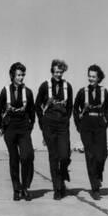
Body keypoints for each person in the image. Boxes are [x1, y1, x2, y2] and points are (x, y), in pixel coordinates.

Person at [0, 62, 35, 201]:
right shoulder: (5, 91)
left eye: (23, 75)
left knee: (27, 156)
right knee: (14, 159)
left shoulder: (28, 92)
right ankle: (17, 190)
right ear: (12, 76)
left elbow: (32, 112)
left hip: (24, 127)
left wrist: (29, 128)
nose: (21, 77)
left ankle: (25, 187)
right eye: (18, 75)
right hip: (10, 127)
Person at [35, 59, 74, 200]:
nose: (58, 74)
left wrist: (66, 119)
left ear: (63, 72)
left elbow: (70, 106)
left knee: (64, 155)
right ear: (52, 71)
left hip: (62, 125)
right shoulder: (45, 86)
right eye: (56, 71)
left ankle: (63, 174)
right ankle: (57, 189)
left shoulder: (67, 86)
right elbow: (37, 105)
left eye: (61, 72)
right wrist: (42, 122)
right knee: (53, 157)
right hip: (49, 124)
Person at [73, 64, 108, 200]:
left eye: (94, 77)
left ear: (99, 77)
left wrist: (106, 122)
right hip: (87, 126)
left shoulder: (104, 91)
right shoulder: (82, 92)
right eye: (89, 76)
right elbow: (75, 108)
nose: (91, 79)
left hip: (100, 125)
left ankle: (98, 174)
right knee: (90, 156)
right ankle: (95, 188)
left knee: (102, 155)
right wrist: (78, 125)